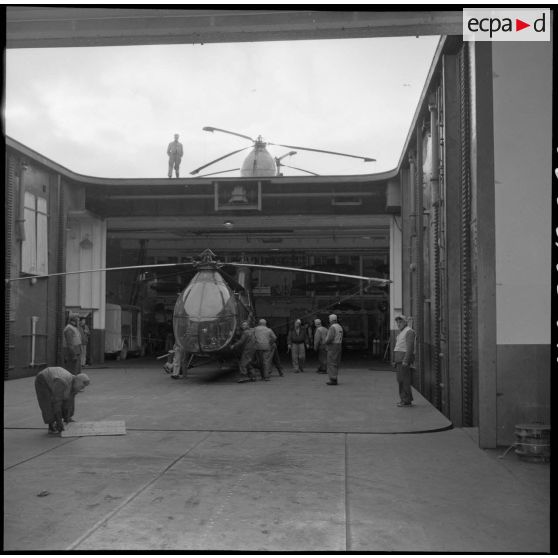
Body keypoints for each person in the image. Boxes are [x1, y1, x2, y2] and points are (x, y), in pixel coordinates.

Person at [34, 367, 90, 434]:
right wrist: (59, 422)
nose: (82, 389)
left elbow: (70, 401)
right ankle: (51, 426)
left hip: (56, 378)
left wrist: (67, 417)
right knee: (48, 403)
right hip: (43, 380)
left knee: (69, 397)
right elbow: (56, 403)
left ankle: (67, 418)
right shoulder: (61, 382)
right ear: (77, 381)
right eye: (81, 386)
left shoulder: (74, 381)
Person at [391, 315, 416, 407]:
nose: (398, 324)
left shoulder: (409, 332)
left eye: (400, 322)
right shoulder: (401, 332)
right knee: (400, 380)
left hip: (403, 361)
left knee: (404, 380)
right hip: (399, 361)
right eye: (397, 322)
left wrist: (406, 360)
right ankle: (405, 399)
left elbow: (410, 348)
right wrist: (395, 360)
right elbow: (398, 347)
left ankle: (406, 400)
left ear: (405, 322)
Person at [325, 314, 343, 385]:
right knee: (336, 362)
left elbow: (330, 338)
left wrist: (325, 342)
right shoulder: (339, 326)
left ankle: (333, 378)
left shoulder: (332, 327)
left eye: (329, 319)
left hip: (333, 346)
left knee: (331, 362)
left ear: (331, 320)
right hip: (339, 345)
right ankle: (335, 377)